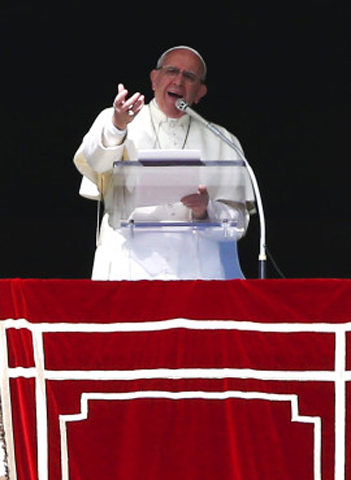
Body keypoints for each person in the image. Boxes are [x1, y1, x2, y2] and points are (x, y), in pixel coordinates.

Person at [74, 46, 255, 280]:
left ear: (200, 92)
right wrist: (118, 127)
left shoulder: (223, 140)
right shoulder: (115, 121)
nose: (178, 81)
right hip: (127, 269)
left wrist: (205, 210)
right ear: (154, 79)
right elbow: (97, 164)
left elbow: (238, 225)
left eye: (189, 77)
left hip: (196, 275)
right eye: (171, 71)